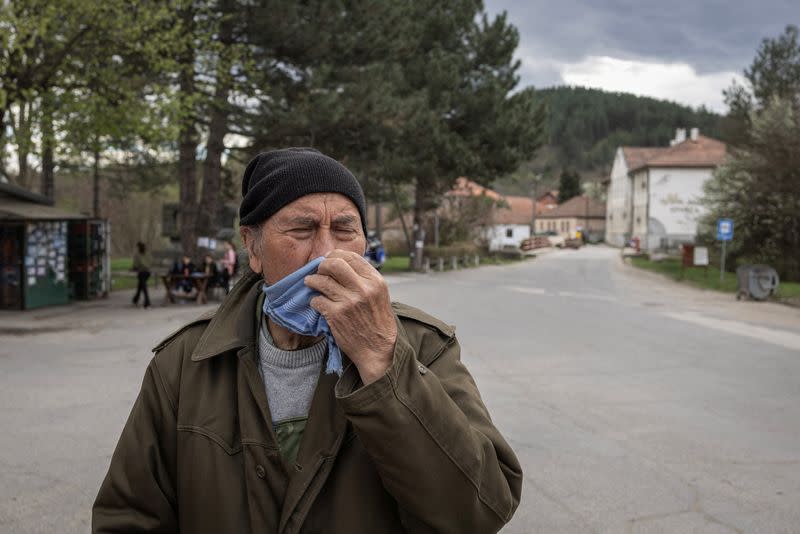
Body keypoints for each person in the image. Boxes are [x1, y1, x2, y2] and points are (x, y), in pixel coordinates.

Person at [92, 148, 521, 533]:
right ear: (252, 247)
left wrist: (382, 360)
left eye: (344, 229)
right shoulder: (185, 362)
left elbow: (479, 513)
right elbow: (129, 516)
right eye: (302, 230)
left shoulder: (423, 346)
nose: (326, 254)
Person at [131, 242, 151, 309]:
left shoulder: (137, 255)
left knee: (144, 287)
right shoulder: (147, 254)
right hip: (147, 272)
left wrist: (134, 268)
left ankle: (147, 302)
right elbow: (150, 263)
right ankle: (135, 299)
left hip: (142, 272)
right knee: (141, 286)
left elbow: (136, 265)